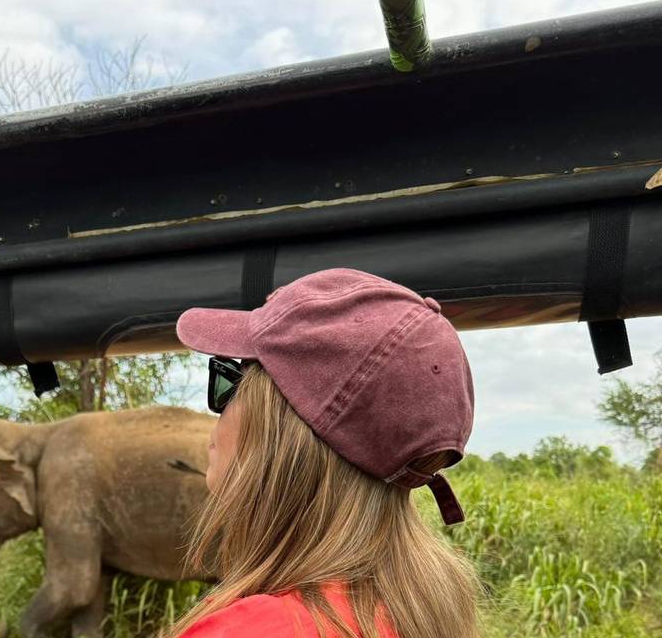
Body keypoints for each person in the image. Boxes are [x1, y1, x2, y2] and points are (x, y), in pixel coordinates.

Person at [168, 268, 482, 638]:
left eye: (230, 384)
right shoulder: (425, 601)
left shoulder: (253, 630)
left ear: (283, 431)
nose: (217, 415)